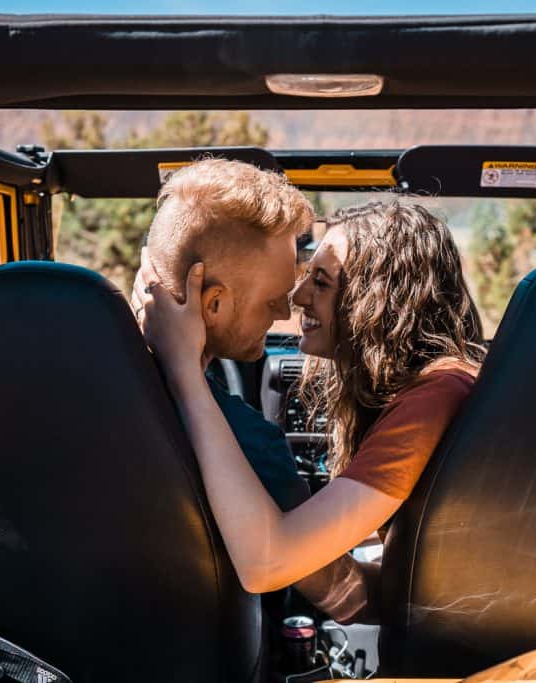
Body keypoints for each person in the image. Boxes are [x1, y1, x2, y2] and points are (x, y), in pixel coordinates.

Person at [135, 200, 485, 622]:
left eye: (320, 282)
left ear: (378, 297)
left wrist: (183, 369)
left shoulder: (438, 393)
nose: (297, 298)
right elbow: (361, 595)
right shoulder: (438, 387)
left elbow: (268, 563)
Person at [132, 158, 369, 621]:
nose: (285, 312)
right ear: (213, 303)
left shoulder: (69, 389)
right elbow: (345, 597)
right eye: (273, 298)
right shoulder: (248, 442)